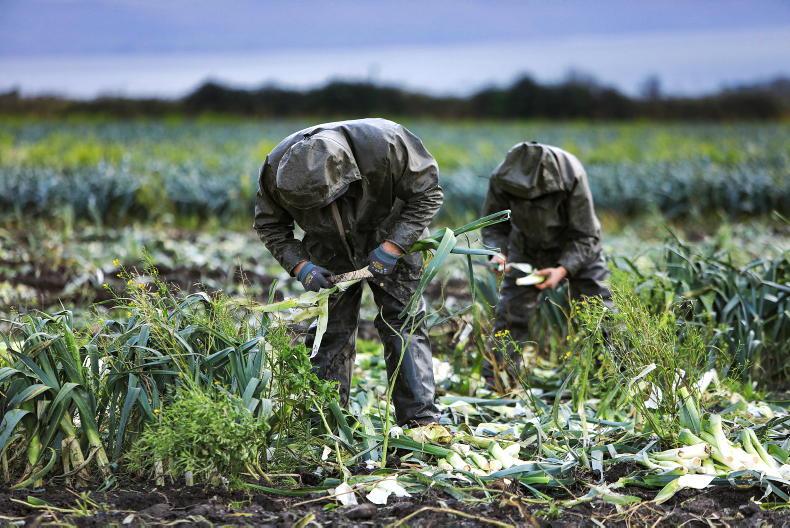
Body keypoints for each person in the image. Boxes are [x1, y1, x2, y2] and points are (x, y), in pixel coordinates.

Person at [254, 118, 442, 426]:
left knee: (403, 323)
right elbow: (269, 224)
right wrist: (301, 266)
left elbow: (428, 194)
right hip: (327, 245)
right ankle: (327, 421)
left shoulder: (387, 145)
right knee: (329, 329)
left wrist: (394, 246)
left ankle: (419, 421)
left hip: (391, 230)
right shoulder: (274, 171)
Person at [482, 141, 612, 371]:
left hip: (575, 246)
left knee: (601, 313)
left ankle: (614, 374)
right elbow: (494, 226)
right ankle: (500, 377)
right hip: (526, 248)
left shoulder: (572, 175)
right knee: (510, 315)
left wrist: (562, 269)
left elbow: (586, 235)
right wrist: (497, 253)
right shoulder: (501, 178)